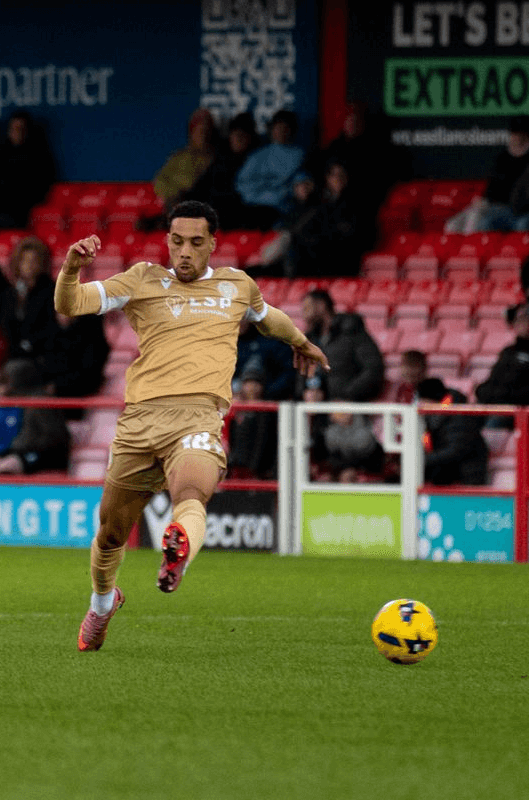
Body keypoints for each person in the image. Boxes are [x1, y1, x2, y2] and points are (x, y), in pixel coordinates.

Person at [55, 200, 329, 652]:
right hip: (139, 422)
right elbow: (70, 302)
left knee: (191, 493)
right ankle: (102, 604)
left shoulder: (236, 285)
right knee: (110, 533)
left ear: (212, 244)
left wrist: (300, 341)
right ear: (167, 240)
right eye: (177, 241)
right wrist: (70, 269)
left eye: (196, 243)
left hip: (198, 417)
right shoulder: (142, 280)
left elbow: (268, 317)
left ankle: (178, 549)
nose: (185, 251)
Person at [0, 359, 70, 475]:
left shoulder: (41, 401)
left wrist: (24, 444)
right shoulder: (16, 399)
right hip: (17, 449)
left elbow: (54, 437)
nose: (6, 385)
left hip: (45, 453)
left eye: (8, 379)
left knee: (7, 466)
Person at [444, 116, 529, 234]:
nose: (515, 136)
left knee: (474, 218)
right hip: (489, 204)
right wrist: (483, 200)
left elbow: (520, 192)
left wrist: (489, 201)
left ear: (526, 135)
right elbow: (492, 186)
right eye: (514, 132)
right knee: (451, 225)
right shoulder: (503, 157)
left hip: (507, 206)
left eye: (519, 133)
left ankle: (471, 245)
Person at [474, 299, 529, 411]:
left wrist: (512, 397)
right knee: (465, 416)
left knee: (496, 419)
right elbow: (493, 379)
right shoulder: (508, 351)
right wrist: (482, 391)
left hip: (521, 410)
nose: (525, 326)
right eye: (521, 321)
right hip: (493, 404)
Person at [299, 288, 384, 401]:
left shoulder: (351, 331)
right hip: (318, 407)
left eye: (307, 308)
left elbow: (373, 369)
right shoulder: (311, 339)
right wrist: (305, 392)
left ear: (321, 306)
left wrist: (347, 397)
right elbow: (302, 375)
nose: (304, 315)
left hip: (350, 406)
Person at [234, 109, 306, 230]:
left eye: (285, 128)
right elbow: (242, 184)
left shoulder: (299, 155)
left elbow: (300, 184)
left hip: (282, 209)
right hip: (252, 207)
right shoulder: (257, 155)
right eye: (277, 127)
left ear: (292, 130)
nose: (281, 131)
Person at [0, 236, 59, 360]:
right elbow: (5, 325)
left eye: (34, 261)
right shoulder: (10, 292)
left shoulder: (51, 291)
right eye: (24, 260)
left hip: (41, 355)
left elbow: (50, 327)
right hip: (13, 353)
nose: (29, 265)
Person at [188, 111, 257, 230]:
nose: (238, 139)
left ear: (250, 138)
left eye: (243, 135)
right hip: (211, 212)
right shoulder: (221, 160)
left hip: (238, 215)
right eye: (235, 134)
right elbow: (200, 187)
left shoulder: (257, 161)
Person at [417, 377, 488, 486]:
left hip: (466, 475)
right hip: (446, 472)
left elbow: (455, 451)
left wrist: (420, 460)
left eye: (421, 400)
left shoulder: (460, 415)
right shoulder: (434, 416)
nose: (419, 405)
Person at [0, 109, 56, 228]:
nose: (17, 133)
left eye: (20, 129)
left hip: (21, 213)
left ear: (27, 131)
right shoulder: (0, 154)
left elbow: (39, 190)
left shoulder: (39, 156)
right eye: (13, 129)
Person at [152, 108, 218, 209]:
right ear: (191, 133)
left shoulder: (216, 159)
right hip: (177, 205)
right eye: (199, 131)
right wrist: (175, 193)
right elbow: (159, 182)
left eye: (206, 131)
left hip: (203, 207)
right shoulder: (179, 157)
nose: (203, 136)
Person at [37, 310, 110, 399]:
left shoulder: (90, 333)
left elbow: (89, 371)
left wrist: (58, 386)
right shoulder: (49, 333)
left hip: (81, 388)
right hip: (52, 387)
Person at [226, 364, 278, 479]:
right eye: (248, 383)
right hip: (234, 465)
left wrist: (256, 468)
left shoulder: (266, 411)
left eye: (256, 383)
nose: (252, 387)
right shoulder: (235, 408)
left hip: (256, 470)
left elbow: (263, 441)